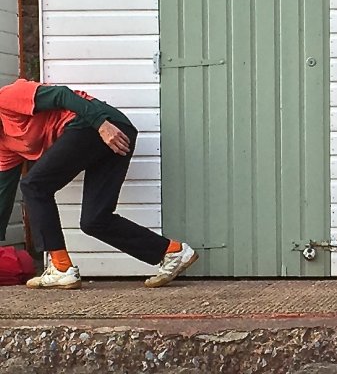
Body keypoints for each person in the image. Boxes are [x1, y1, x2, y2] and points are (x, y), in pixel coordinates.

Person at [0, 78, 197, 289]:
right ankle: (172, 251)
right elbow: (4, 194)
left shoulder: (7, 97)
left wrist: (102, 124)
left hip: (100, 124)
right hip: (99, 134)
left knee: (34, 185)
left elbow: (63, 95)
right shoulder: (4, 146)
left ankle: (61, 268)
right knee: (94, 220)